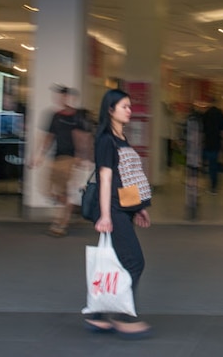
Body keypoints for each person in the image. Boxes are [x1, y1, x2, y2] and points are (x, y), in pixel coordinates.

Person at [84, 88, 153, 337]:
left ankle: (98, 316)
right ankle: (124, 317)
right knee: (134, 261)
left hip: (123, 210)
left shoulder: (121, 138)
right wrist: (105, 215)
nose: (129, 110)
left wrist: (138, 209)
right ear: (110, 110)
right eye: (124, 106)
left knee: (120, 261)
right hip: (112, 210)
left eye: (130, 106)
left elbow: (126, 178)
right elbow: (106, 179)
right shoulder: (105, 140)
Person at [29, 85, 86, 237]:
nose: (61, 99)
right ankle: (71, 207)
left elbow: (81, 137)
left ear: (70, 98)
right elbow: (48, 137)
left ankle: (60, 224)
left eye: (64, 96)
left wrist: (81, 156)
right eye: (59, 96)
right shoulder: (55, 116)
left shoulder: (77, 116)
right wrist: (39, 155)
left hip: (70, 158)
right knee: (46, 189)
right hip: (56, 157)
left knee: (63, 191)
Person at [201, 96, 223, 195]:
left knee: (207, 163)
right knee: (214, 164)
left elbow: (202, 129)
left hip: (207, 142)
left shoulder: (206, 114)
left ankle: (209, 184)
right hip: (217, 142)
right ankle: (214, 186)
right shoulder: (220, 114)